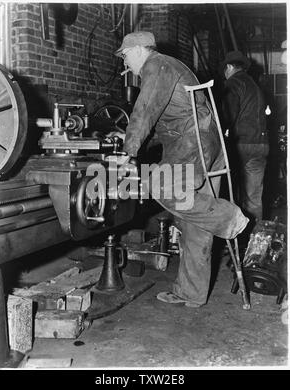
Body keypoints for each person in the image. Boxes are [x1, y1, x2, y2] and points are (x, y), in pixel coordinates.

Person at [115, 31, 249, 307]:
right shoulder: (169, 67)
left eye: (125, 55)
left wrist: (128, 151)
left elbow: (144, 111)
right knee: (195, 223)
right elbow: (163, 121)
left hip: (193, 142)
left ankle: (229, 218)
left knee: (158, 184)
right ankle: (192, 293)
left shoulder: (157, 65)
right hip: (207, 143)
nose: (125, 63)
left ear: (140, 49)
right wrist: (136, 142)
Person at [221, 51, 269, 236]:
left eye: (225, 70)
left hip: (243, 145)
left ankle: (238, 240)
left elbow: (227, 116)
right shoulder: (255, 85)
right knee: (254, 197)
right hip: (262, 144)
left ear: (230, 67)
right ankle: (255, 245)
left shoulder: (233, 83)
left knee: (233, 194)